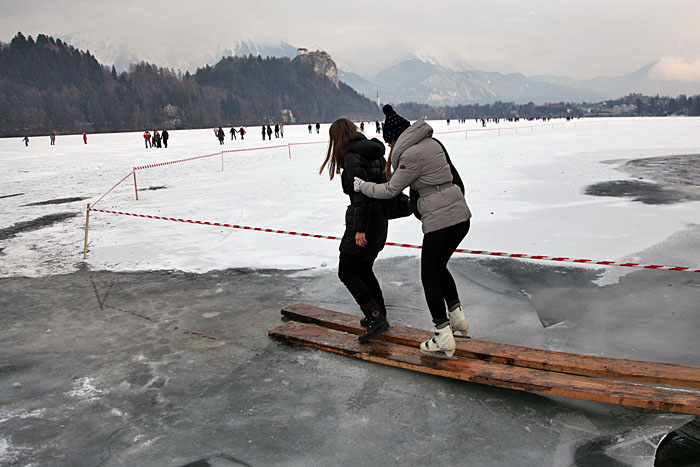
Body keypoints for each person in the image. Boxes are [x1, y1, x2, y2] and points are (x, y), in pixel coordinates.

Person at [354, 105, 472, 357]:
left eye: (390, 142)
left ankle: (442, 335)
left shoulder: (410, 155)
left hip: (442, 221)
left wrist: (363, 186)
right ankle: (457, 317)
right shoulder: (433, 143)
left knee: (428, 275)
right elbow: (453, 177)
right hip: (460, 216)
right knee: (438, 267)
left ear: (395, 138)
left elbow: (389, 190)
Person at [319, 118, 390, 342]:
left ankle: (376, 317)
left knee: (347, 271)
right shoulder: (374, 152)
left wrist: (359, 230)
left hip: (364, 221)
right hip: (379, 219)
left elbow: (361, 195)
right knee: (364, 268)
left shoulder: (353, 156)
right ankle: (379, 314)